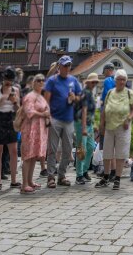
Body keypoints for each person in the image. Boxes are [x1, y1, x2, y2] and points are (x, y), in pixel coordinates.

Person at [44, 55, 82, 188]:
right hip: (55, 118)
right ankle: (50, 176)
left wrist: (75, 98)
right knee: (52, 149)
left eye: (69, 65)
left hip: (68, 119)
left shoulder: (73, 80)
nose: (67, 68)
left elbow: (80, 98)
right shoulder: (52, 81)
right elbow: (46, 100)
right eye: (65, 65)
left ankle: (61, 175)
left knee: (67, 150)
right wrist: (47, 116)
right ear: (59, 67)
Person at [96, 69, 133, 190]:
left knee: (120, 153)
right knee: (107, 152)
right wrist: (101, 124)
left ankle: (117, 179)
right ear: (115, 80)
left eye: (124, 79)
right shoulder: (110, 92)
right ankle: (106, 177)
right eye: (119, 79)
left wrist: (128, 119)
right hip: (109, 126)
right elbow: (104, 109)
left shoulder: (129, 93)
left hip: (123, 127)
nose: (122, 82)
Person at [20, 74, 50, 193]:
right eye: (38, 80)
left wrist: (47, 113)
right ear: (33, 82)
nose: (41, 82)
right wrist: (43, 114)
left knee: (33, 157)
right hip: (30, 129)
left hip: (39, 129)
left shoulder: (41, 96)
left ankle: (30, 181)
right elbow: (29, 111)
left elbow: (47, 109)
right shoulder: (30, 96)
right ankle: (24, 184)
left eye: (43, 80)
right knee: (28, 156)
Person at [75, 73, 99, 185]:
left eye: (95, 82)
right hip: (81, 124)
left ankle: (84, 170)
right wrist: (84, 128)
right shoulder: (85, 92)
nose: (94, 84)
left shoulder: (90, 93)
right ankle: (79, 174)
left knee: (90, 147)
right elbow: (84, 110)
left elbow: (90, 112)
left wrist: (92, 124)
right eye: (92, 82)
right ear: (88, 82)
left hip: (88, 124)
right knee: (82, 149)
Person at [97, 63, 115, 177]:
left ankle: (107, 172)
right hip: (114, 117)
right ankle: (112, 171)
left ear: (108, 70)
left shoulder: (108, 80)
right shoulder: (116, 81)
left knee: (105, 145)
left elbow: (108, 97)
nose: (103, 74)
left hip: (107, 114)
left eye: (104, 71)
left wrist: (102, 122)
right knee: (112, 145)